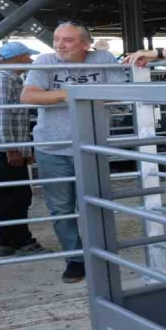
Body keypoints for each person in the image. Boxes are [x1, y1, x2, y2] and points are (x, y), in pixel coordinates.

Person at [22, 21, 127, 283]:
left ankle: (100, 254)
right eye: (57, 39)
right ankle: (75, 258)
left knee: (96, 203)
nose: (59, 44)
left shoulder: (102, 57)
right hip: (52, 148)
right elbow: (29, 96)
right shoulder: (45, 61)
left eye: (67, 40)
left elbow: (118, 90)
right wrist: (69, 94)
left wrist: (62, 94)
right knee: (61, 208)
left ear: (85, 43)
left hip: (92, 145)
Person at [0, 41, 49, 258]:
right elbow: (2, 116)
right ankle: (22, 241)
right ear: (18, 58)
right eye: (27, 56)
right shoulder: (3, 80)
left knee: (9, 197)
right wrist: (12, 149)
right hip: (0, 151)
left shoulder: (8, 79)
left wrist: (23, 149)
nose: (30, 60)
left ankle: (6, 242)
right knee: (13, 198)